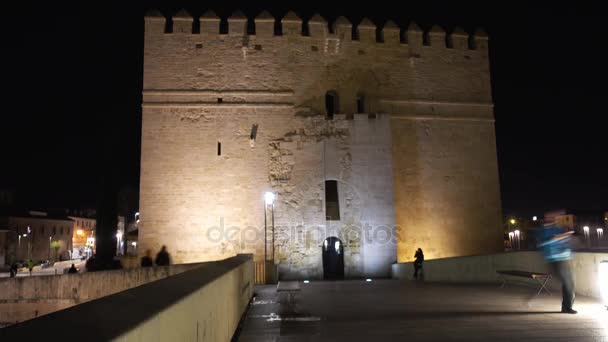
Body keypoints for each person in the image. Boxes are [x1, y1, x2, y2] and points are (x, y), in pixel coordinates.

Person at [536, 218, 577, 314]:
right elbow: (544, 243)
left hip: (564, 259)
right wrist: (558, 237)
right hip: (555, 260)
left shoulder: (558, 229)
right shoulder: (541, 231)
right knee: (567, 283)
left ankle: (567, 307)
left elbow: (565, 242)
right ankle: (567, 307)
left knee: (569, 283)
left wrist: (570, 252)